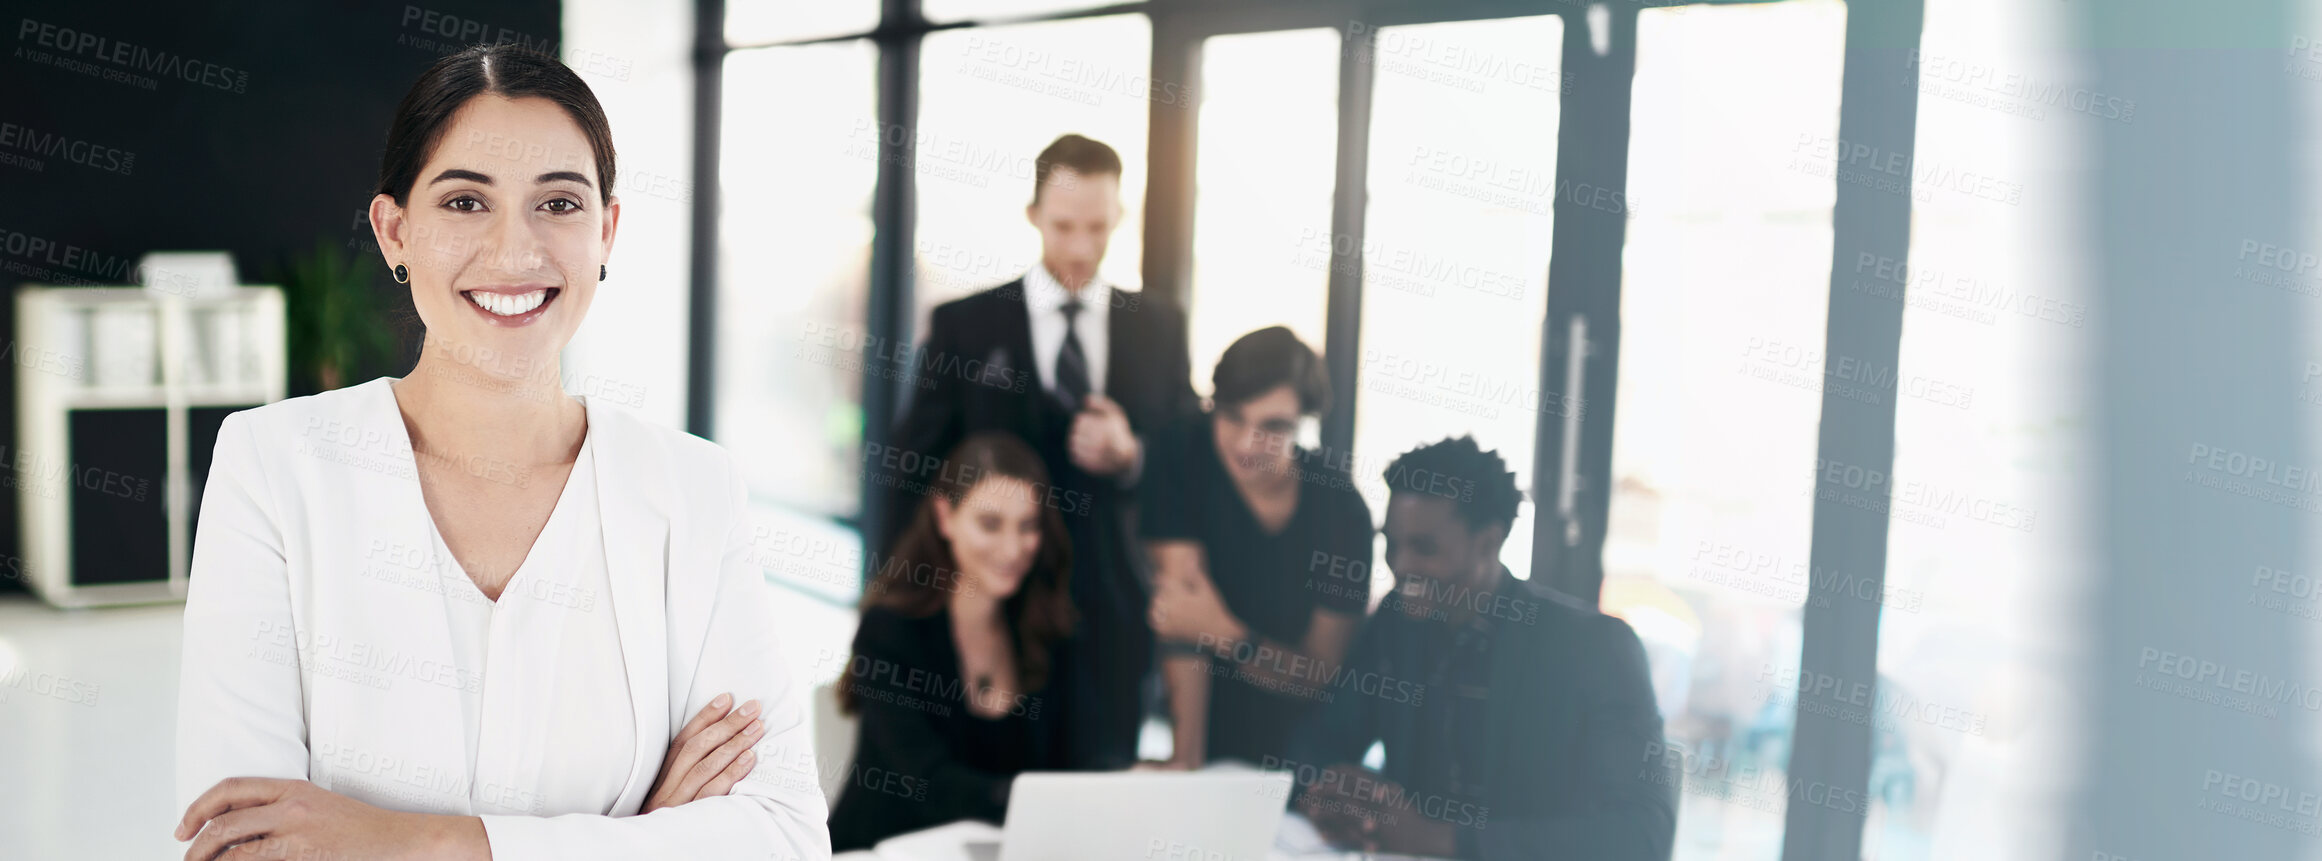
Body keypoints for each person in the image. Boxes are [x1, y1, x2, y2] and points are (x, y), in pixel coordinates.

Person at [173, 45, 828, 861]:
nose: (515, 252)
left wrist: (414, 842)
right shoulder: (274, 466)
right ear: (394, 231)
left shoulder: (691, 489)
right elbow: (240, 846)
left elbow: (783, 837)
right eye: (465, 202)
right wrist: (642, 837)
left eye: (558, 202)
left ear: (607, 232)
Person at [875, 133, 1198, 770]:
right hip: (999, 614)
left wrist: (1133, 454)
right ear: (1033, 216)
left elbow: (1190, 464)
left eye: (1098, 228)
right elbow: (911, 470)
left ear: (1119, 220)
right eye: (1064, 226)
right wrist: (905, 606)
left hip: (1112, 616)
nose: (1080, 248)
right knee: (994, 790)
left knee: (1098, 796)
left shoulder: (1160, 327)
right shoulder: (965, 326)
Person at [1278, 437, 1675, 860]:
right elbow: (1316, 745)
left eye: (1424, 548)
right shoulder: (1395, 623)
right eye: (1392, 545)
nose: (1401, 566)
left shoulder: (1595, 648)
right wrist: (1331, 794)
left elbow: (1640, 837)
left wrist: (1437, 839)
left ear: (1489, 541)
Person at [828, 432, 1077, 850]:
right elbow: (930, 788)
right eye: (990, 523)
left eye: (1028, 526)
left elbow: (1073, 761)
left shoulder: (1045, 628)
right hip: (881, 851)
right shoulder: (888, 632)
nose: (1013, 548)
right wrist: (1045, 801)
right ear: (945, 517)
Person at [1141, 327, 1373, 768]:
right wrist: (1184, 761)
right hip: (1204, 726)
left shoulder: (1343, 514)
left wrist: (1227, 634)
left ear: (1304, 419)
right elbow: (1181, 618)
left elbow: (1319, 674)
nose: (1247, 443)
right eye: (1231, 416)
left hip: (1304, 748)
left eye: (1273, 426)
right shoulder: (1182, 451)